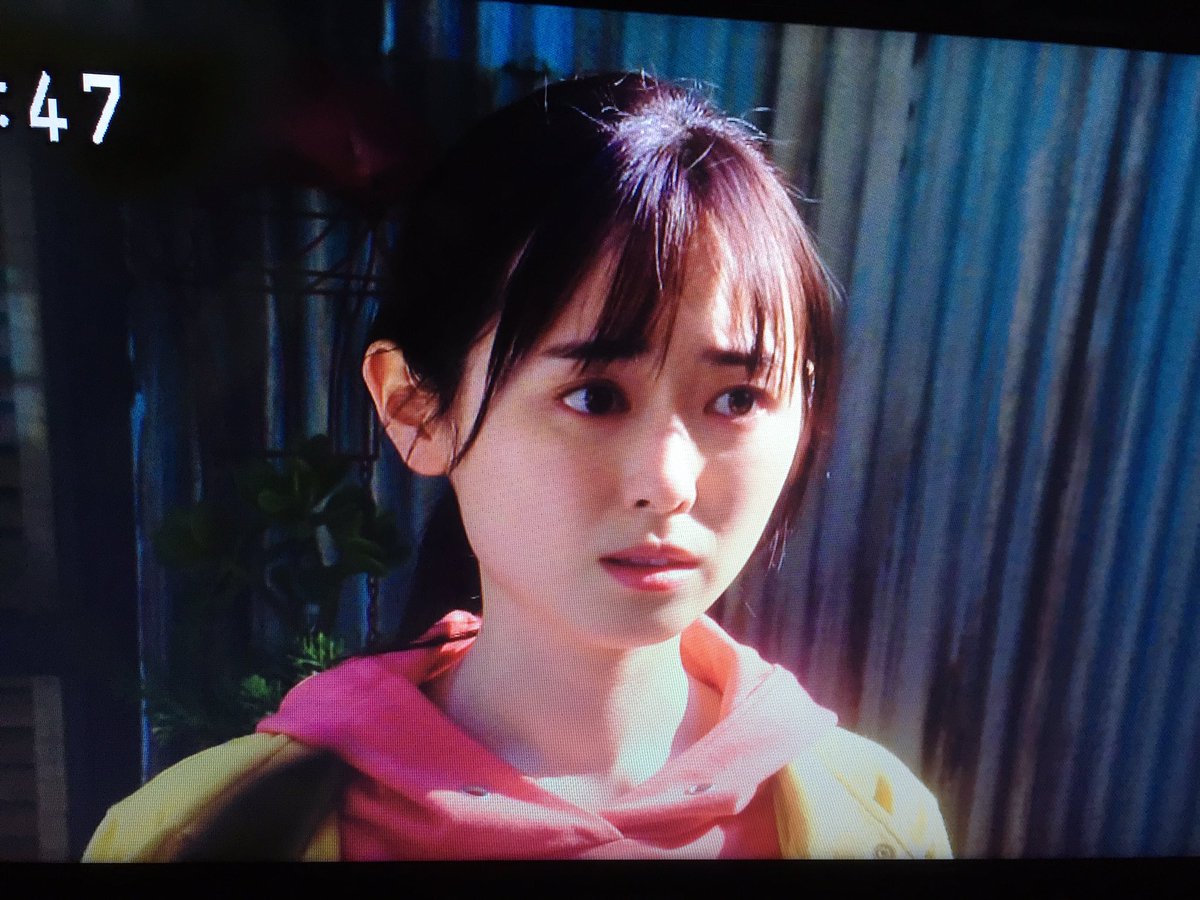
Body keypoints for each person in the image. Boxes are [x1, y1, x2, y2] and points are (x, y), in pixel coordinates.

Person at [84, 72, 952, 860]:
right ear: (415, 408)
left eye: (737, 398)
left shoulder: (876, 823)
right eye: (595, 396)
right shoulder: (188, 840)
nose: (669, 482)